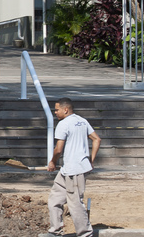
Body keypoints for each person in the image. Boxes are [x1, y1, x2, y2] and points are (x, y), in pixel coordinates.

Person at [43, 97, 102, 237]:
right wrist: (90, 160)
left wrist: (52, 162)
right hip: (66, 170)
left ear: (65, 109)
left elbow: (58, 149)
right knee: (54, 200)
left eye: (57, 110)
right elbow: (97, 139)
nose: (55, 113)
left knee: (75, 203)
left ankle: (85, 234)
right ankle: (55, 230)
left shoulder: (64, 124)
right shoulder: (82, 121)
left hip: (74, 171)